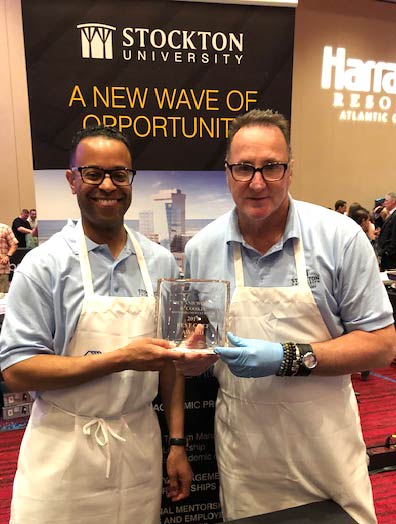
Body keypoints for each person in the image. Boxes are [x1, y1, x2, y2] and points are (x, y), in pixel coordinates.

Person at [182, 109, 396, 524]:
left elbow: (381, 345)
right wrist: (193, 358)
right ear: (228, 173)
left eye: (271, 167)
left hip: (325, 445)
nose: (257, 182)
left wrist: (288, 357)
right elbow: (196, 346)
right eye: (244, 168)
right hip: (247, 451)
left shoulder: (339, 237)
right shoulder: (202, 249)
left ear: (290, 171)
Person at [0, 126, 198, 524]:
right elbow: (17, 371)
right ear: (72, 179)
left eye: (119, 175)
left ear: (131, 181)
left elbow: (172, 366)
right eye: (93, 173)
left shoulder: (160, 263)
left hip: (139, 444)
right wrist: (120, 358)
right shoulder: (45, 266)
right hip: (62, 450)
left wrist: (177, 442)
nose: (107, 185)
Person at [377, 192, 396, 270]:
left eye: (386, 201)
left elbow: (394, 235)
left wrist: (388, 252)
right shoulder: (390, 214)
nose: (384, 203)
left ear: (393, 201)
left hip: (391, 256)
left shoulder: (395, 215)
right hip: (386, 254)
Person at [0, 223, 18, 293]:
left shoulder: (5, 228)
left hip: (2, 269)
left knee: (3, 296)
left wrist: (8, 256)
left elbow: (14, 244)